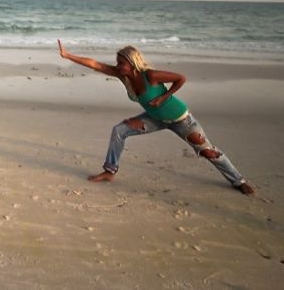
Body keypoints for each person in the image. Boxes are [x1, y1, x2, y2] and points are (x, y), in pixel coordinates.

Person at [57, 40, 256, 196]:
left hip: (180, 119)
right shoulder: (123, 76)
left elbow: (181, 78)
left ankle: (239, 181)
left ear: (132, 62)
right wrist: (67, 55)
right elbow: (95, 64)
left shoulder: (150, 75)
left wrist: (164, 96)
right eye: (117, 63)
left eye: (121, 63)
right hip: (154, 118)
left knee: (208, 152)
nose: (118, 66)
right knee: (120, 130)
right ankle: (110, 171)